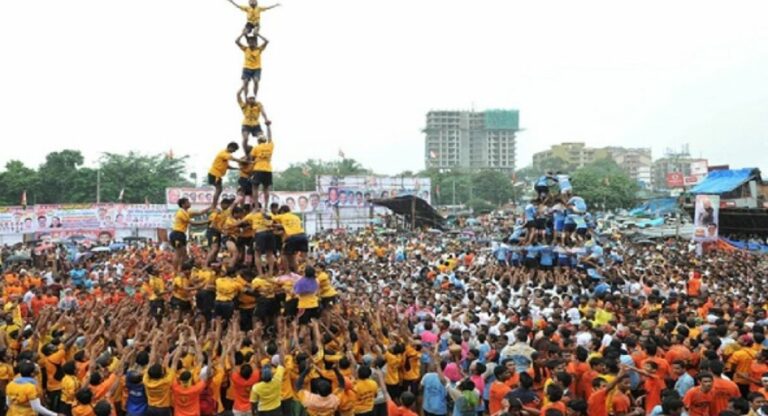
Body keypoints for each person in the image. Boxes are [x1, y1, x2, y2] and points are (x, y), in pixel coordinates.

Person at [169, 197, 212, 271]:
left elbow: (200, 212)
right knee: (178, 253)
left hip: (180, 234)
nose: (189, 203)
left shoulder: (187, 212)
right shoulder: (181, 212)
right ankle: (175, 270)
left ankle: (179, 269)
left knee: (183, 253)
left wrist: (210, 207)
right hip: (177, 234)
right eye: (187, 202)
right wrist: (207, 222)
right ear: (183, 204)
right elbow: (192, 223)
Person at [272, 205, 308, 272]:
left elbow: (271, 217)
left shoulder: (283, 216)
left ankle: (287, 272)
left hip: (292, 237)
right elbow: (286, 225)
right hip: (303, 236)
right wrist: (276, 226)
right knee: (302, 257)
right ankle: (307, 271)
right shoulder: (296, 217)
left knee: (284, 254)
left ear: (282, 211)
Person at [208, 142, 245, 206]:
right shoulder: (223, 153)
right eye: (234, 150)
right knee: (218, 189)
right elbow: (233, 158)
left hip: (216, 174)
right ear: (230, 147)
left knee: (219, 190)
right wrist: (243, 161)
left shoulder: (226, 155)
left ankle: (214, 205)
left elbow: (227, 166)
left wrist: (237, 168)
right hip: (214, 174)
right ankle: (214, 206)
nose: (233, 152)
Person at [236, 31, 269, 98]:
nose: (252, 43)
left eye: (253, 42)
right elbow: (237, 41)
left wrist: (258, 35)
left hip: (256, 68)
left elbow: (266, 41)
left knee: (256, 81)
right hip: (247, 68)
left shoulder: (259, 49)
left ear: (256, 43)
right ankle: (246, 97)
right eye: (250, 42)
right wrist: (242, 34)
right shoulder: (246, 49)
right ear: (248, 43)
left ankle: (254, 97)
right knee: (245, 82)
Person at [250, 123, 274, 212]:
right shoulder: (270, 146)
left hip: (258, 169)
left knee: (255, 187)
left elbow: (252, 159)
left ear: (258, 141)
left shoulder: (256, 148)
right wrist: (268, 126)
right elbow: (270, 136)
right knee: (266, 189)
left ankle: (256, 206)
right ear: (265, 140)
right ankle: (266, 206)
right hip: (268, 169)